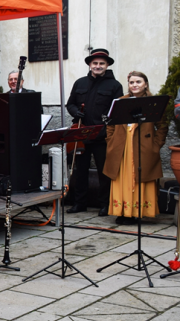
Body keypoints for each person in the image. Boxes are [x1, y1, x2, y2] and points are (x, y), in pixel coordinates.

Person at [65, 48, 124, 216]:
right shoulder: (80, 82)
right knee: (80, 170)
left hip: (102, 135)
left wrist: (107, 129)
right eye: (95, 63)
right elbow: (70, 104)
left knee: (104, 172)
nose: (98, 66)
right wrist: (75, 112)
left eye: (101, 63)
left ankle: (104, 204)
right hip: (82, 134)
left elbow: (117, 111)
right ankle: (79, 203)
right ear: (90, 65)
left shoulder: (115, 86)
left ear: (106, 65)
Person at [104, 71, 168, 225]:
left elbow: (162, 126)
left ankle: (139, 211)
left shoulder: (153, 102)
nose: (134, 85)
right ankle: (123, 212)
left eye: (138, 82)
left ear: (145, 83)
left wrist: (156, 144)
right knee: (122, 178)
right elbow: (110, 124)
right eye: (132, 82)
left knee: (140, 177)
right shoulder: (120, 101)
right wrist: (111, 140)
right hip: (122, 146)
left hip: (143, 147)